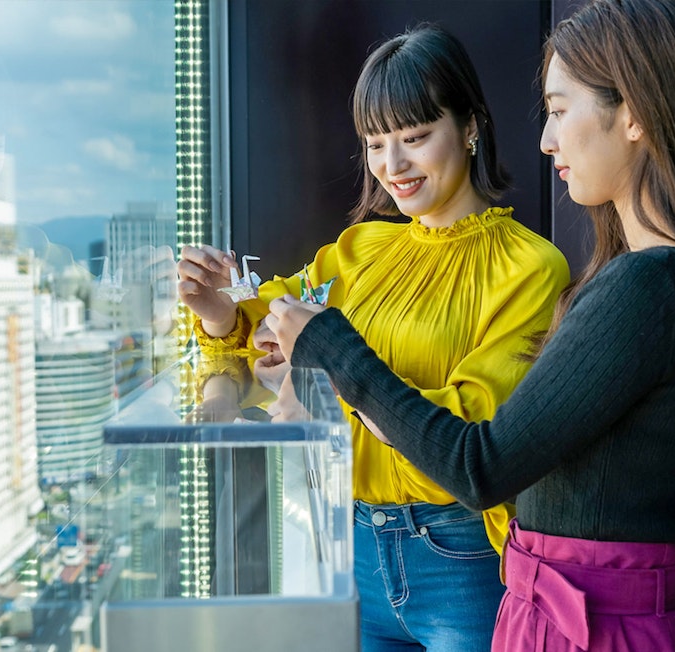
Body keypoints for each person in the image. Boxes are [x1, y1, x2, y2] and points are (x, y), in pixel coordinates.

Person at [264, 1, 675, 650]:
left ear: (635, 115)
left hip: (589, 628)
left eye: (560, 111)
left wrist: (331, 347)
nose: (546, 140)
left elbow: (478, 465)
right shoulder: (662, 282)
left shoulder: (650, 286)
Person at [177, 24, 569, 652]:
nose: (393, 167)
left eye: (415, 138)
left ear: (470, 126)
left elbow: (474, 434)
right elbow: (261, 333)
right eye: (375, 144)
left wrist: (330, 375)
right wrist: (216, 306)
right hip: (348, 542)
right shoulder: (359, 249)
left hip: (460, 556)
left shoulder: (529, 269)